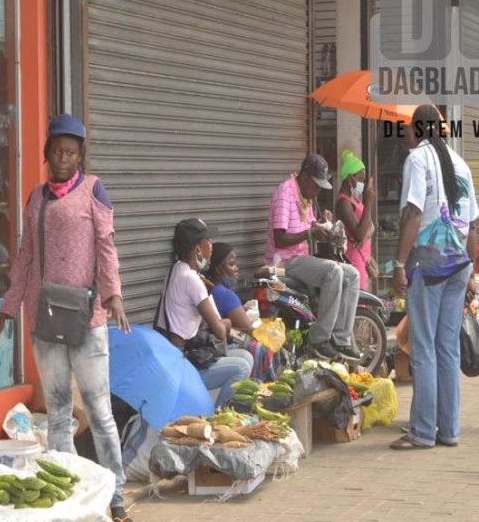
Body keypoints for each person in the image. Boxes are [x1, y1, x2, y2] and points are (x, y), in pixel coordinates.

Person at [0, 114, 133, 522]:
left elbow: (106, 249)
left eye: (72, 152)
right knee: (58, 414)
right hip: (44, 318)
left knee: (100, 413)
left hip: (88, 318)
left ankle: (117, 499)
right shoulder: (35, 198)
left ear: (81, 154)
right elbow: (24, 258)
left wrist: (114, 296)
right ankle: (67, 500)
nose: (64, 158)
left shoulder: (94, 191)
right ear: (47, 153)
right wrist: (7, 311)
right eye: (57, 151)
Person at [390, 104, 479, 451]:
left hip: (429, 265)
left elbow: (413, 212)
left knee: (423, 348)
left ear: (415, 130)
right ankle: (449, 429)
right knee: (447, 348)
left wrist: (398, 263)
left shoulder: (417, 159)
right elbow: (471, 223)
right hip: (459, 264)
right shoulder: (461, 163)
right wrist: (470, 268)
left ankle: (424, 431)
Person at [265, 153, 361, 362]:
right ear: (305, 177)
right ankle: (319, 339)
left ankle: (341, 338)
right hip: (285, 262)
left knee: (352, 275)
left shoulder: (305, 196)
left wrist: (319, 223)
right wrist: (310, 234)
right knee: (333, 271)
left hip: (302, 259)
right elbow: (280, 238)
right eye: (316, 185)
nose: (317, 191)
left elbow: (306, 227)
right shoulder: (285, 194)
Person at [154, 219, 253, 405]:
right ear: (197, 248)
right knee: (241, 367)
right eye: (208, 241)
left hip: (174, 353)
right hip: (182, 361)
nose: (212, 246)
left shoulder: (175, 270)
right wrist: (227, 323)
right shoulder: (192, 279)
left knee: (246, 356)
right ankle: (219, 420)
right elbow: (220, 331)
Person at [205, 242, 283, 380]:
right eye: (231, 264)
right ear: (218, 270)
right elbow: (246, 327)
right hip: (225, 343)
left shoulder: (207, 289)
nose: (236, 269)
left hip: (213, 341)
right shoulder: (225, 295)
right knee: (264, 347)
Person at [335, 150, 378, 291]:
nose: (363, 184)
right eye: (361, 179)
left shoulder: (355, 200)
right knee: (358, 304)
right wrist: (369, 202)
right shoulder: (343, 203)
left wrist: (364, 235)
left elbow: (371, 226)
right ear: (350, 178)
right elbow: (359, 234)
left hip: (364, 258)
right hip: (353, 260)